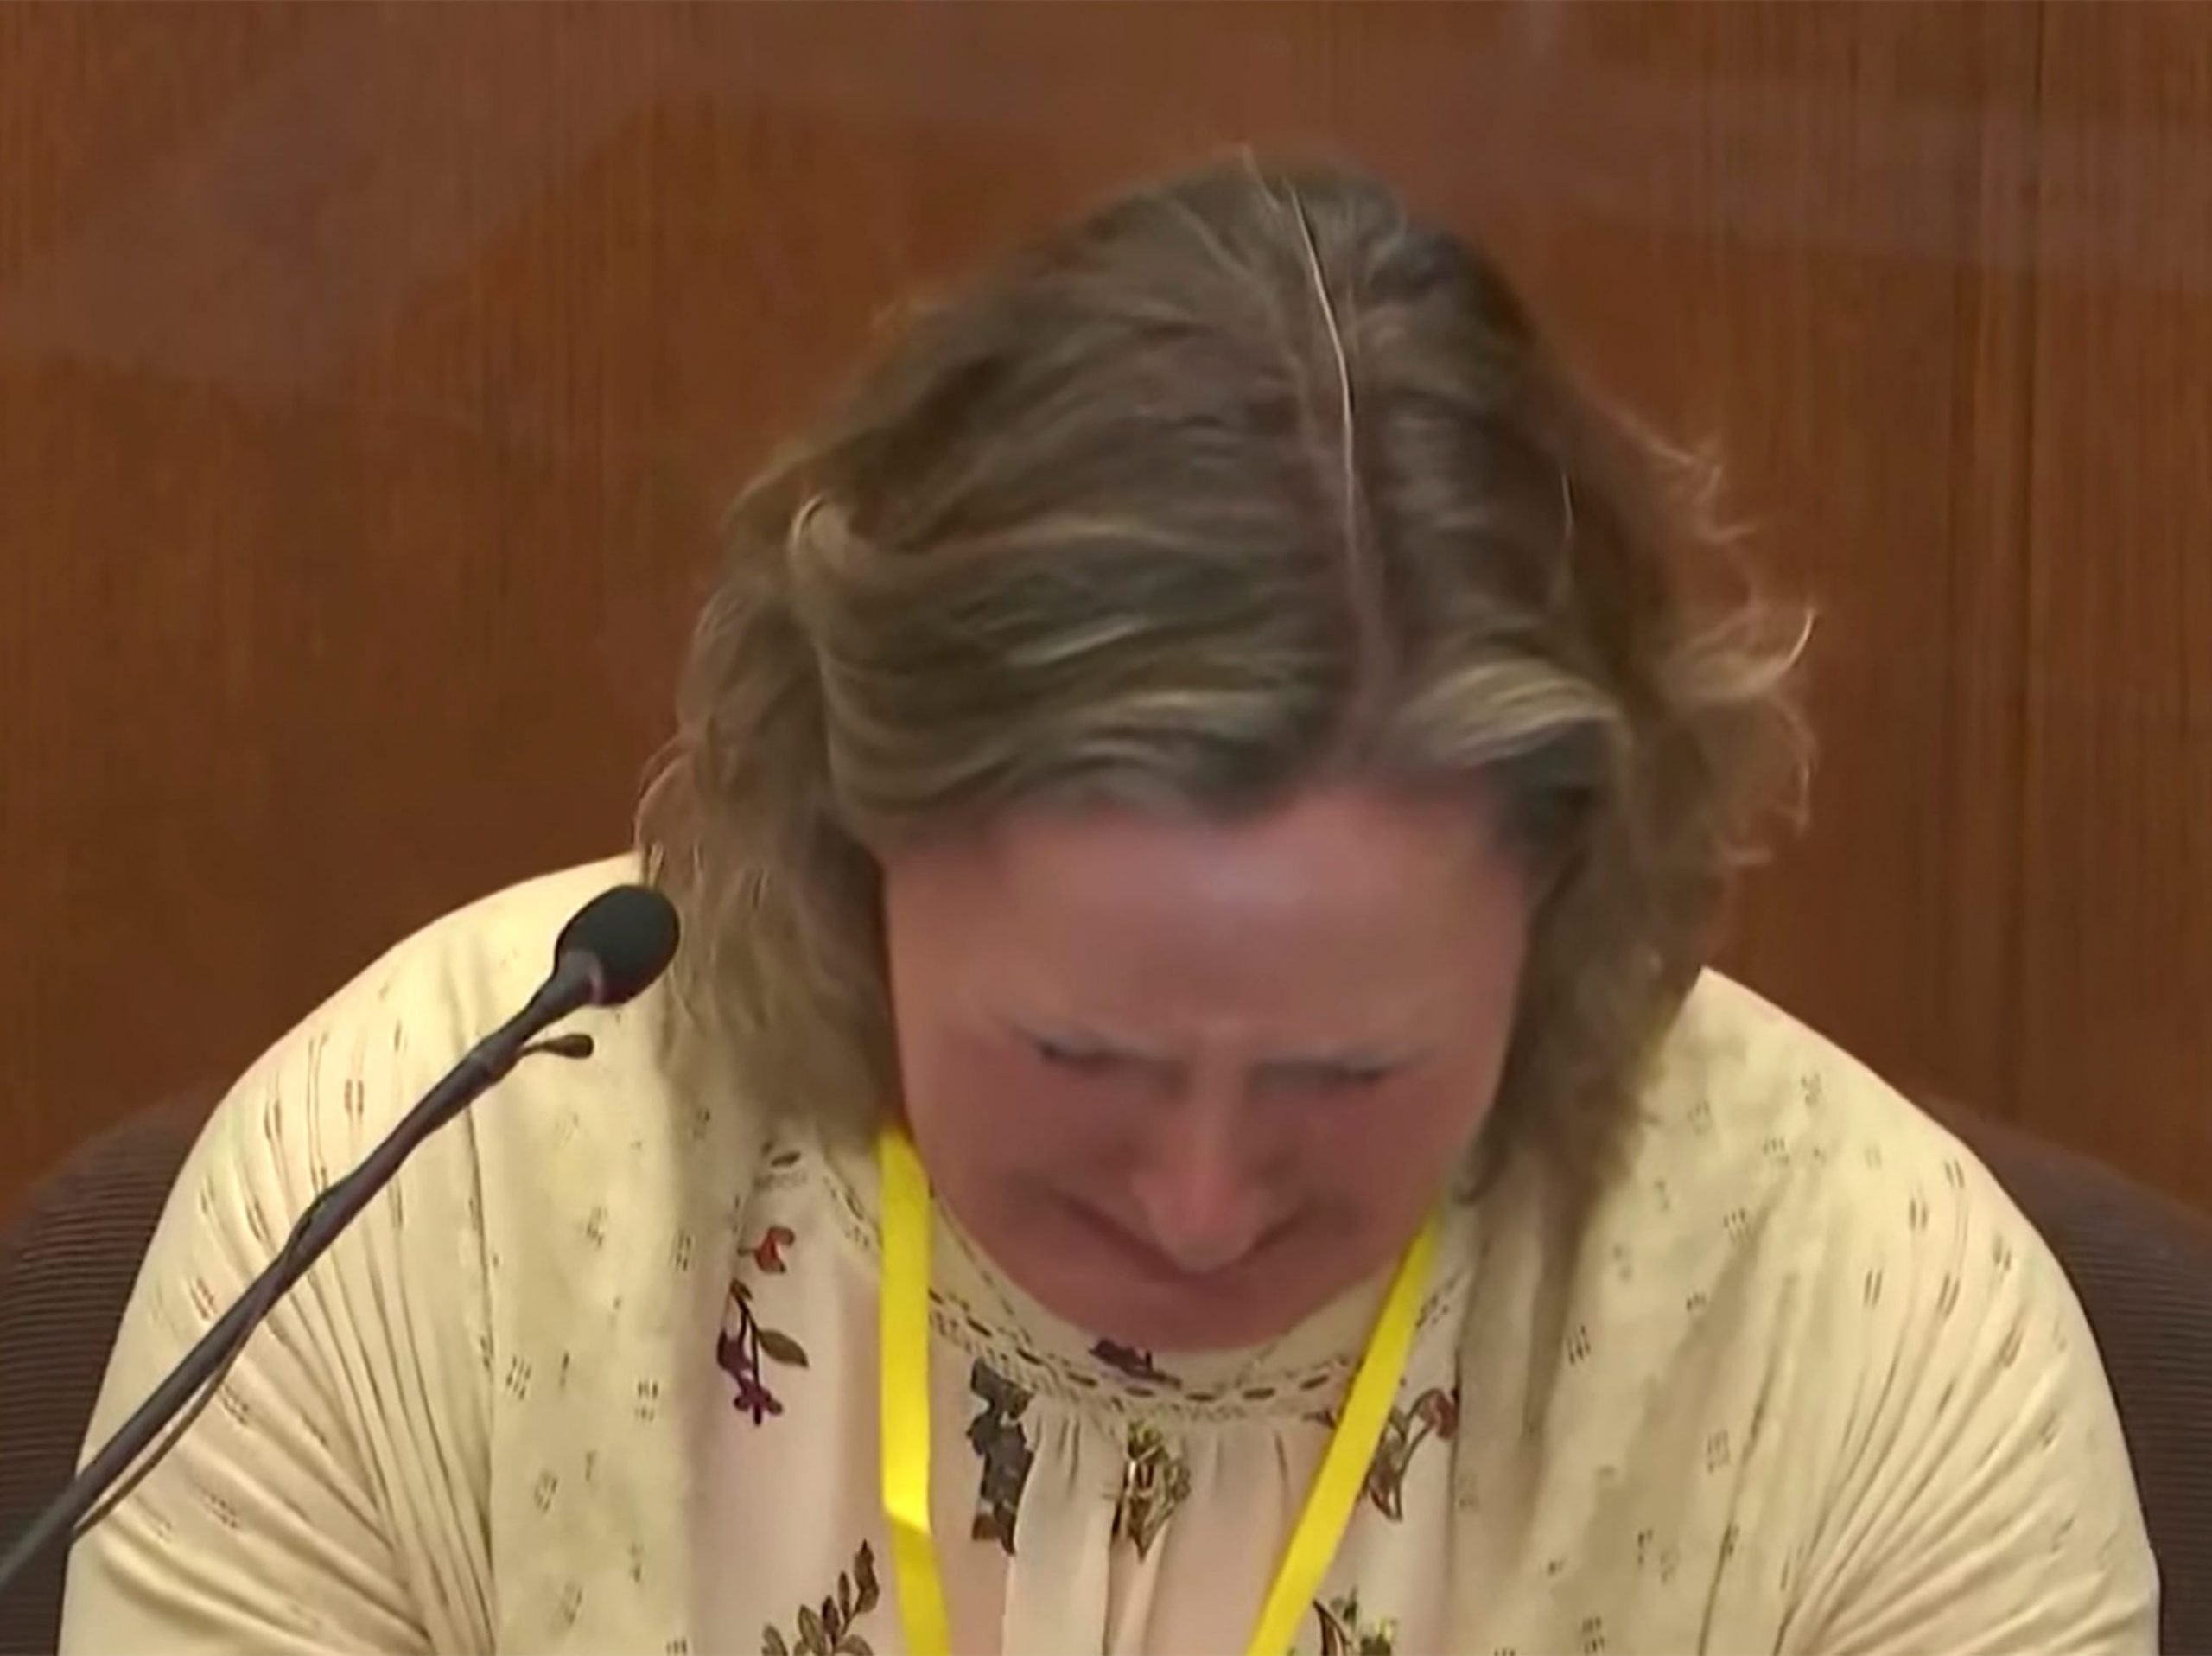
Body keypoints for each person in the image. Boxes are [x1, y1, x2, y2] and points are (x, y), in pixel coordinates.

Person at [60, 157, 2154, 1656]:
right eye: (1074, 1053)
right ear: (843, 841)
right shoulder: (423, 1214)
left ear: (1571, 914)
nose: (1198, 1202)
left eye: (1346, 1072)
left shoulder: (1874, 1344)